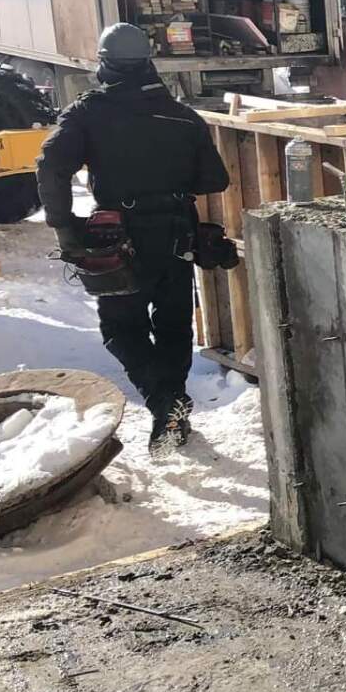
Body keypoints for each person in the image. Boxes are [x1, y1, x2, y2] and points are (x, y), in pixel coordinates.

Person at [38, 23, 230, 450]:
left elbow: (50, 167)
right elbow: (216, 179)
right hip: (177, 234)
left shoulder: (87, 113)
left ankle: (165, 404)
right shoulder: (182, 115)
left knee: (121, 330)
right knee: (174, 326)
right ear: (148, 62)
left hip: (118, 239)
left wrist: (65, 227)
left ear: (103, 64)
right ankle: (172, 409)